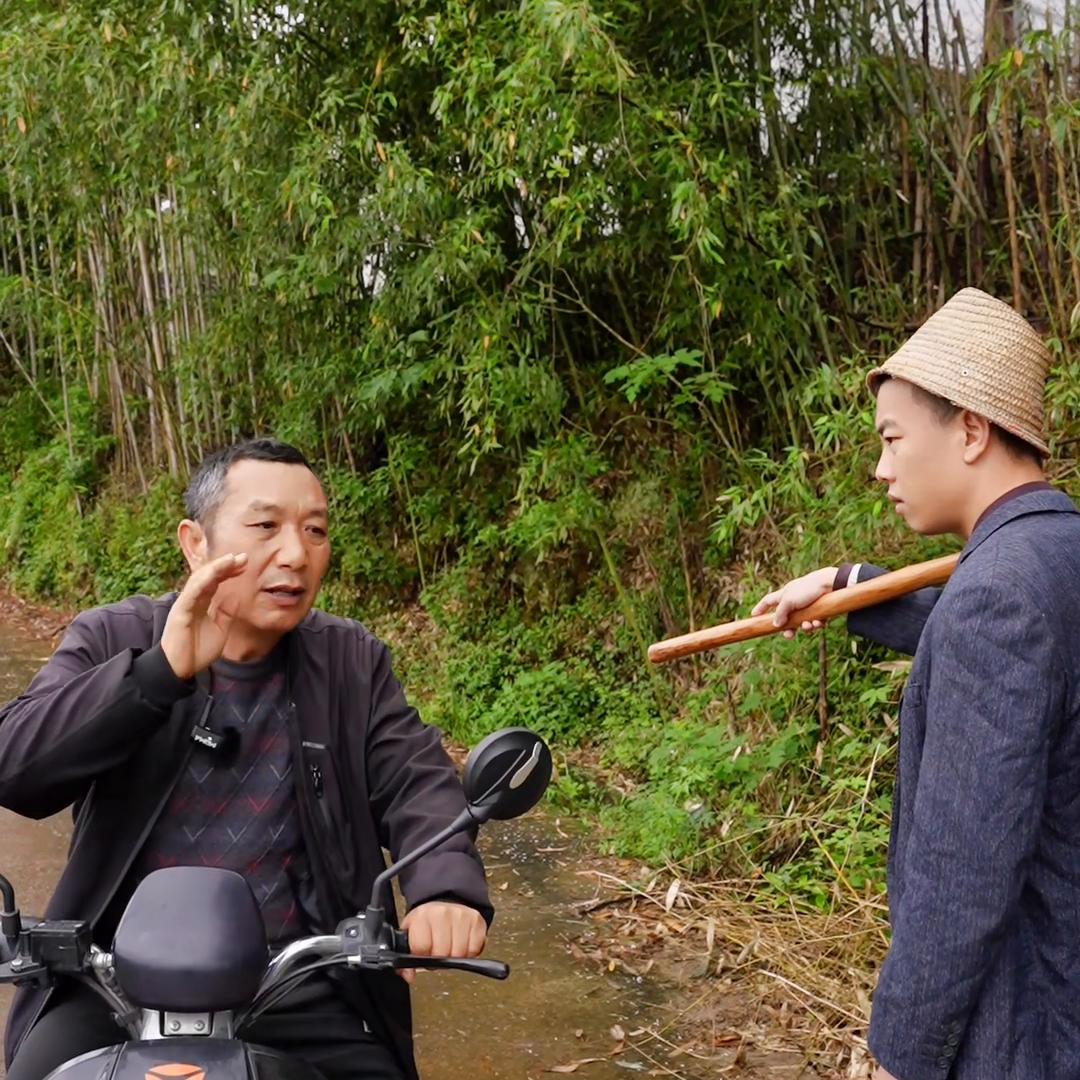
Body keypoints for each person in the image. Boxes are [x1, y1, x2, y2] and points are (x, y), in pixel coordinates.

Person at [0, 439, 491, 1080]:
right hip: (112, 981)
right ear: (195, 543)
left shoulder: (350, 663)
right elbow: (18, 764)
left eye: (314, 530)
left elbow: (416, 779)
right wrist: (157, 675)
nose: (295, 554)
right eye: (265, 526)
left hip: (300, 983)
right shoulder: (114, 636)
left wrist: (443, 890)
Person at [753, 288, 1080, 1079]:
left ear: (970, 429)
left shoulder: (996, 598)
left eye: (894, 439)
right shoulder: (1056, 552)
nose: (881, 466)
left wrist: (906, 1051)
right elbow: (1011, 649)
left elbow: (961, 883)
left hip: (1023, 1032)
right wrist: (848, 583)